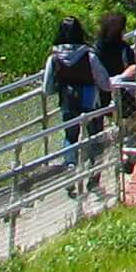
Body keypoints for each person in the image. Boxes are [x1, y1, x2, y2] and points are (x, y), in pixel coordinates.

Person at [44, 17, 113, 183]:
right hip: (91, 101)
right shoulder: (89, 55)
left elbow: (47, 88)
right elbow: (104, 82)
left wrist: (61, 87)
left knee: (70, 136)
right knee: (95, 136)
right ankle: (94, 173)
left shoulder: (54, 58)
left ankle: (70, 168)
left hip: (68, 102)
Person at [93, 10, 136, 123]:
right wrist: (120, 78)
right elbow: (133, 67)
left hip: (101, 95)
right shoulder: (124, 48)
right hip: (123, 94)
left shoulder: (96, 49)